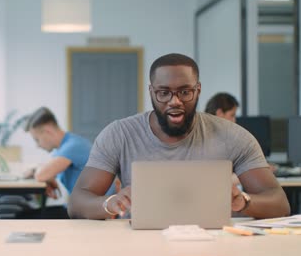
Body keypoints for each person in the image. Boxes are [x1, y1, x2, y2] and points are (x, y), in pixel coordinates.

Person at [68, 53, 290, 220]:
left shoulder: (234, 136)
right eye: (164, 92)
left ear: (198, 90)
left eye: (185, 92)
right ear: (152, 92)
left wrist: (244, 201)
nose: (175, 101)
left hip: (215, 245)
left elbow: (279, 203)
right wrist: (109, 203)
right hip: (140, 245)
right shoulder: (119, 134)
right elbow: (77, 202)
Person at [23, 107, 115, 218]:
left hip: (93, 212)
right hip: (84, 208)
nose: (37, 145)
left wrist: (39, 172)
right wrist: (49, 177)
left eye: (37, 139)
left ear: (48, 131)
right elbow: (47, 172)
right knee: (26, 215)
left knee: (24, 217)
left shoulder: (72, 146)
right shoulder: (65, 146)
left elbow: (41, 175)